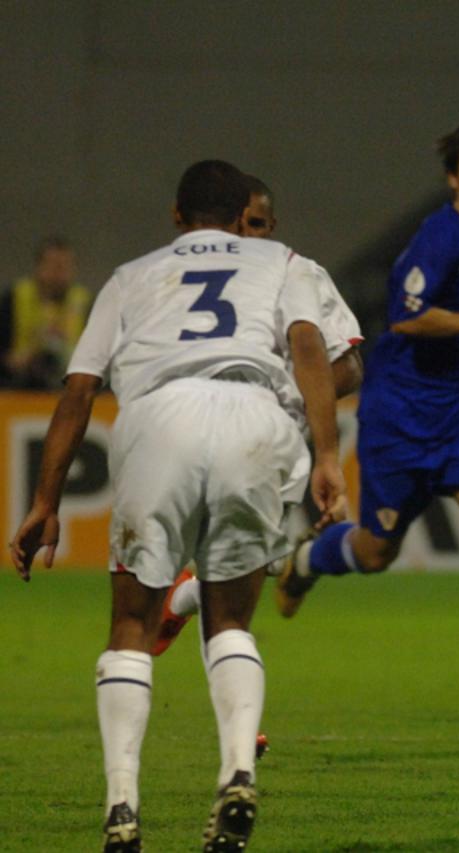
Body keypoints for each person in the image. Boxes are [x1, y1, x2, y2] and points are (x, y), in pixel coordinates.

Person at [8, 160, 346, 852]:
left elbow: (78, 390)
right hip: (253, 415)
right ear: (244, 210)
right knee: (229, 618)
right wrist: (329, 455)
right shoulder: (282, 261)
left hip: (158, 416)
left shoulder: (133, 275)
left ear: (176, 215)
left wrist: (45, 500)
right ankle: (238, 770)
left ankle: (122, 805)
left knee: (133, 621)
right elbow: (311, 347)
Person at [274, 117, 459, 723]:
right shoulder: (438, 238)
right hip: (400, 417)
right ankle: (306, 561)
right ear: (454, 179)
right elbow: (404, 316)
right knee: (375, 553)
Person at [151, 174, 364, 657]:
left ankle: (180, 600)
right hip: (197, 430)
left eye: (259, 224)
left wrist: (289, 395)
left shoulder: (298, 274)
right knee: (232, 565)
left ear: (273, 226)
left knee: (250, 564)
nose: (249, 235)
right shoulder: (184, 278)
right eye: (240, 223)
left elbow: (349, 367)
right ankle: (239, 722)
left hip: (274, 440)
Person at [0, 236, 92, 388]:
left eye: (64, 267)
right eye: (53, 266)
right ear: (38, 266)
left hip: (70, 384)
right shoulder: (13, 298)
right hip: (17, 385)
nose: (58, 274)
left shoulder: (85, 303)